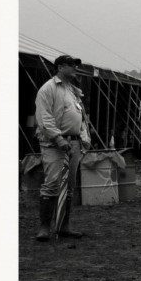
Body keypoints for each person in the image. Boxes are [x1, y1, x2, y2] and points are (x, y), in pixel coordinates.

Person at [34, 55, 91, 241]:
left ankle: (64, 226)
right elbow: (45, 118)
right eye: (71, 65)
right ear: (60, 67)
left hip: (73, 143)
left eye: (75, 65)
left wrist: (84, 137)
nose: (75, 68)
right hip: (54, 144)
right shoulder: (48, 88)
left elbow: (81, 117)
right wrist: (58, 139)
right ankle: (44, 227)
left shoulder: (73, 90)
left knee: (70, 186)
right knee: (52, 184)